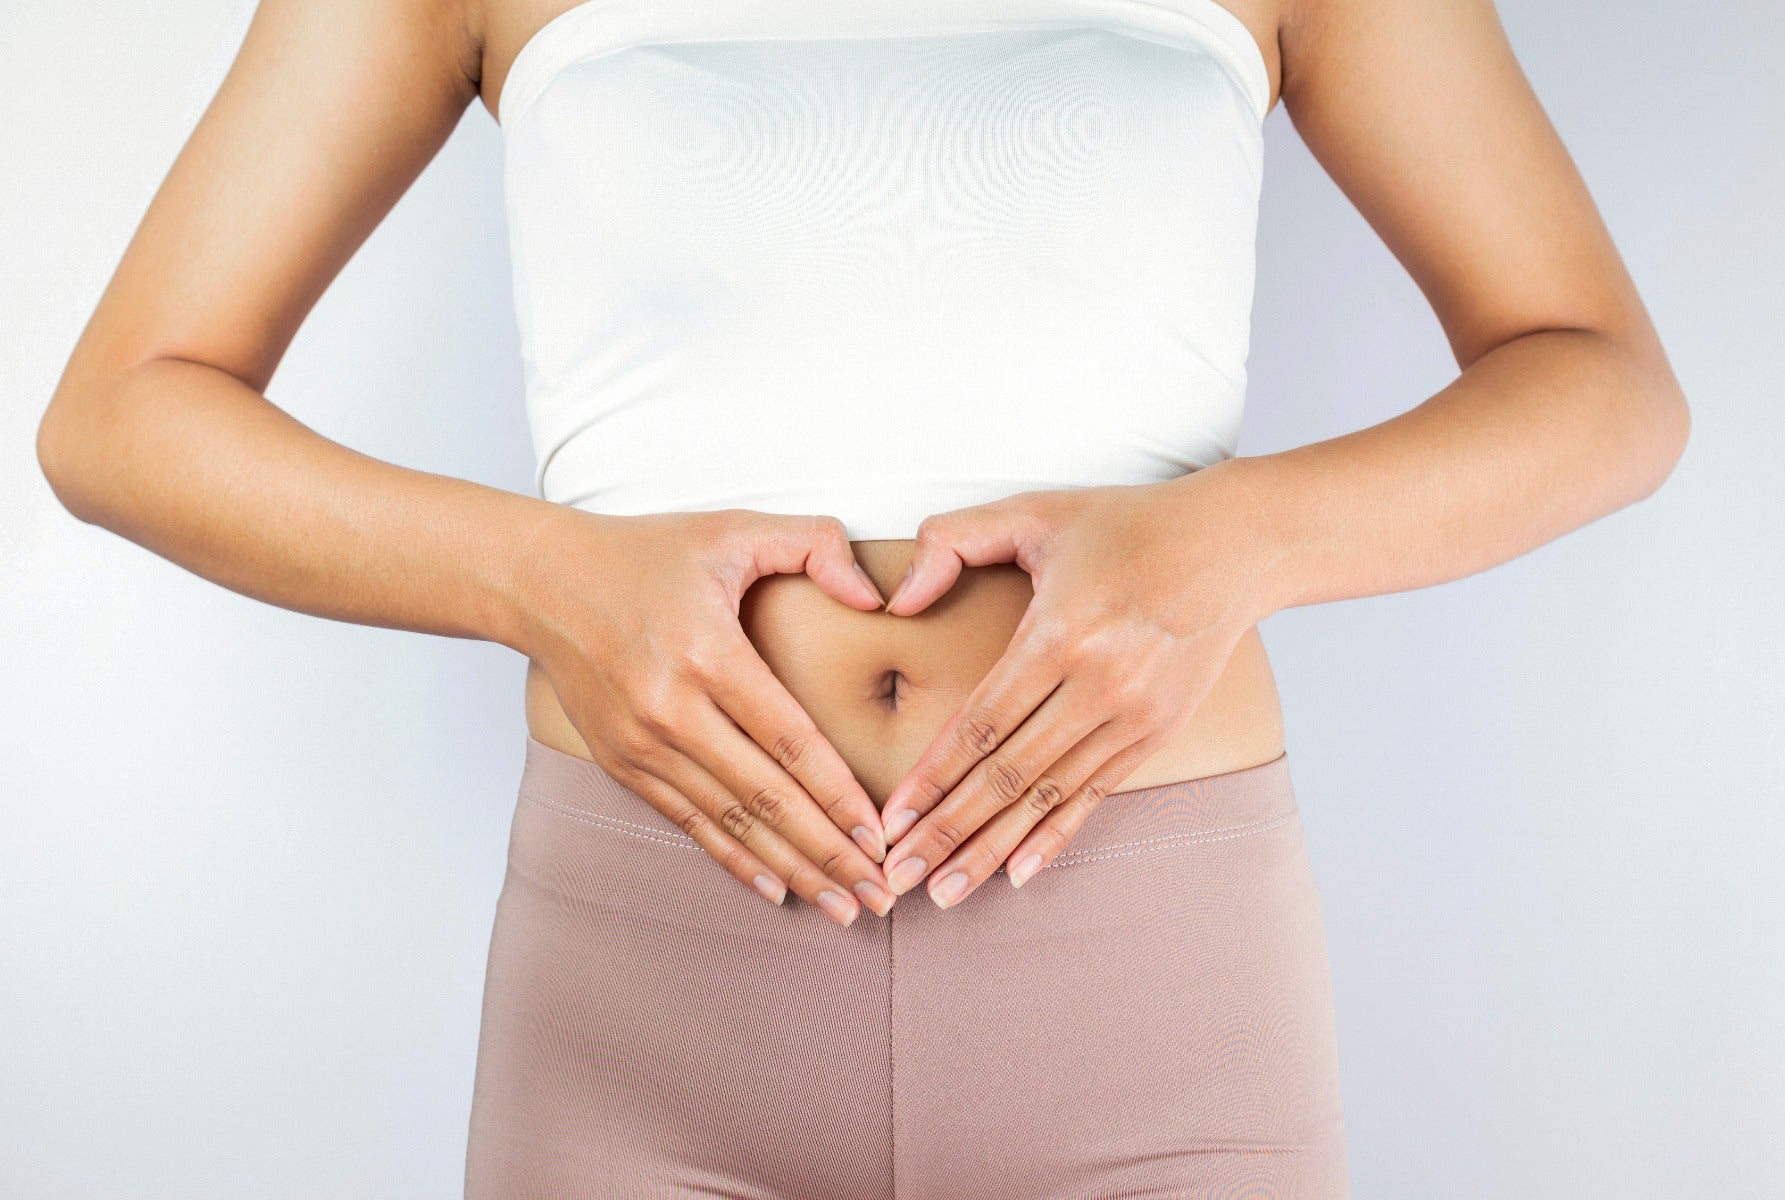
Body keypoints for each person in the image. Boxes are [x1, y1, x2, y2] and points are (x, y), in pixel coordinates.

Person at [35, 0, 1688, 1195]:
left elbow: (1602, 379)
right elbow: (125, 410)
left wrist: (1232, 541)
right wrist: (542, 579)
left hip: (1157, 1008)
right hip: (649, 1021)